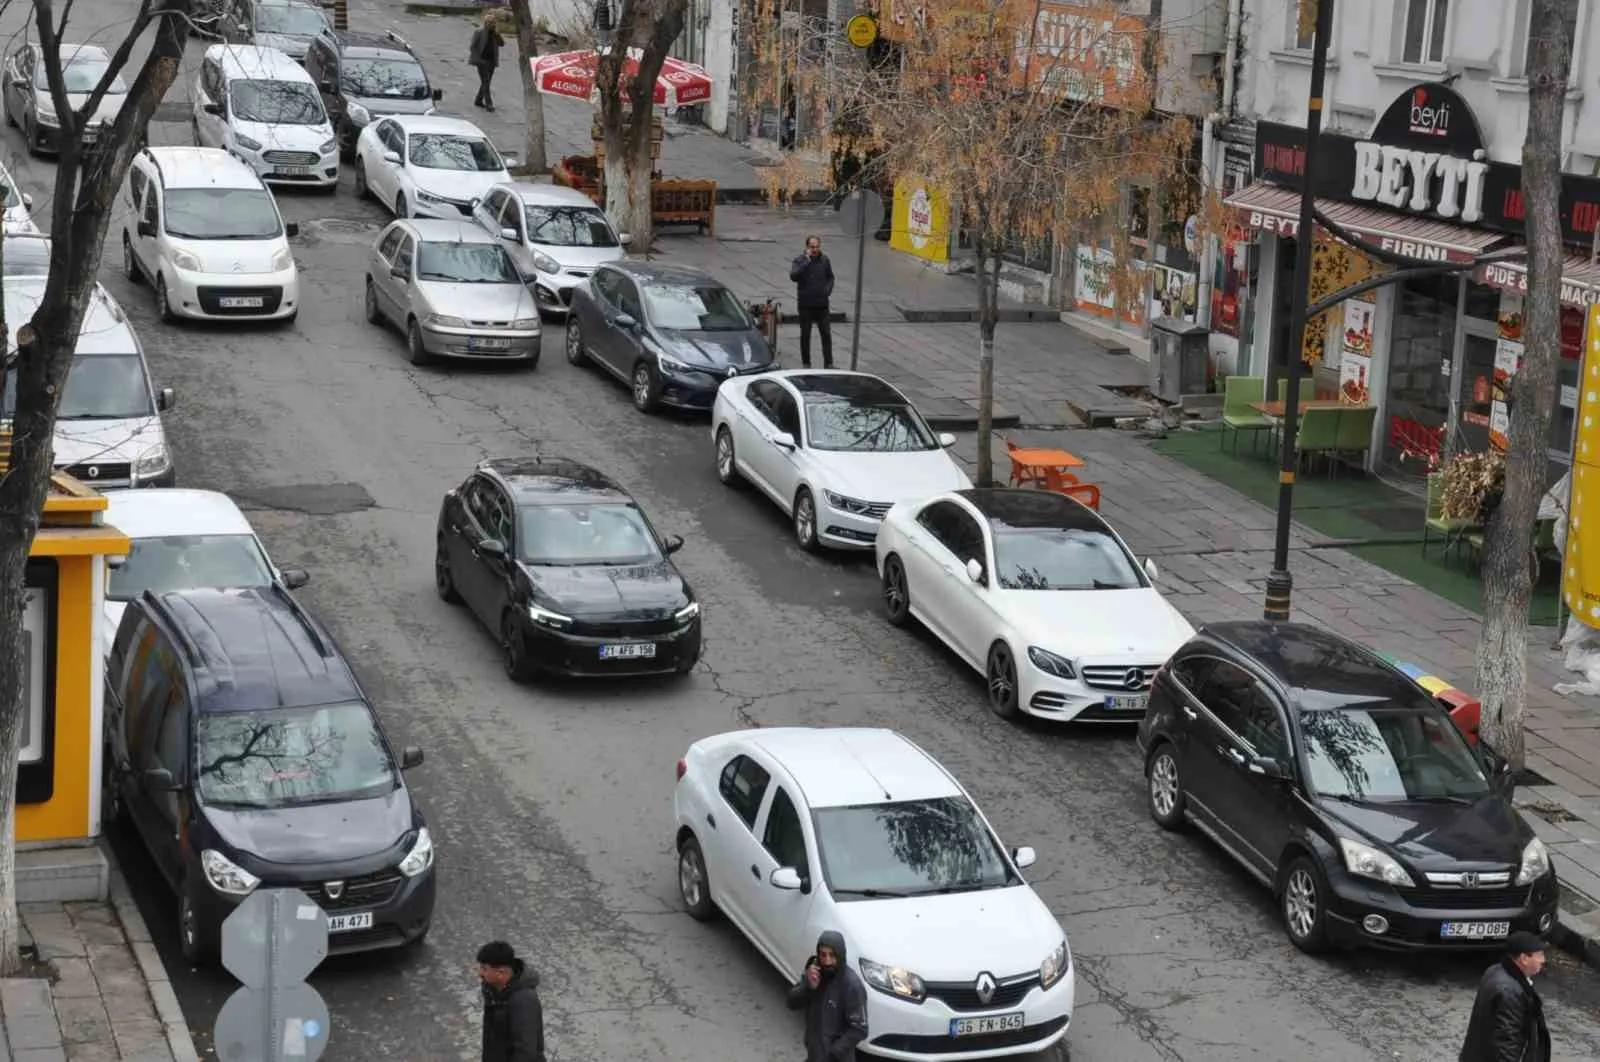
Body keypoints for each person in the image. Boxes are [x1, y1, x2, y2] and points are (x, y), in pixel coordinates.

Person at [1459, 931, 1551, 1062]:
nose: (1543, 960)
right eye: (1539, 955)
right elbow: (1507, 1042)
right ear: (1524, 958)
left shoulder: (1496, 971)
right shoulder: (1510, 992)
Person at [786, 930, 867, 1062]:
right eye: (823, 955)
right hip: (814, 1054)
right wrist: (808, 987)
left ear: (840, 955)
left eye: (832, 955)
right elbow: (791, 1003)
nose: (827, 961)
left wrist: (835, 1053)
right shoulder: (815, 973)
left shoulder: (852, 986)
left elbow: (860, 1028)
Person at [478, 941, 546, 1062]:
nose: (480, 973)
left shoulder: (523, 1000)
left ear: (501, 973)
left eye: (485, 969)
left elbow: (526, 1051)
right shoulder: (494, 990)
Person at [789, 235, 835, 369]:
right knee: (805, 334)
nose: (815, 249)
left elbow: (831, 277)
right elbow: (794, 276)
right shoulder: (799, 260)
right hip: (806, 304)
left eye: (817, 247)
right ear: (807, 247)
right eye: (812, 247)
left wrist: (827, 291)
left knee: (826, 334)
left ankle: (829, 362)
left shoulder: (825, 260)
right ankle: (806, 362)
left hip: (822, 304)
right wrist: (806, 261)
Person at [470, 13, 503, 112]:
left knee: (486, 82)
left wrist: (497, 35)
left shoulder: (495, 34)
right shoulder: (479, 32)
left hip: (492, 61)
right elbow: (473, 46)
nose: (492, 24)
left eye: (493, 23)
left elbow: (501, 44)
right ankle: (489, 104)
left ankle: (478, 100)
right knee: (486, 81)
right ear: (485, 23)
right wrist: (477, 59)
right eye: (489, 22)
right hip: (482, 61)